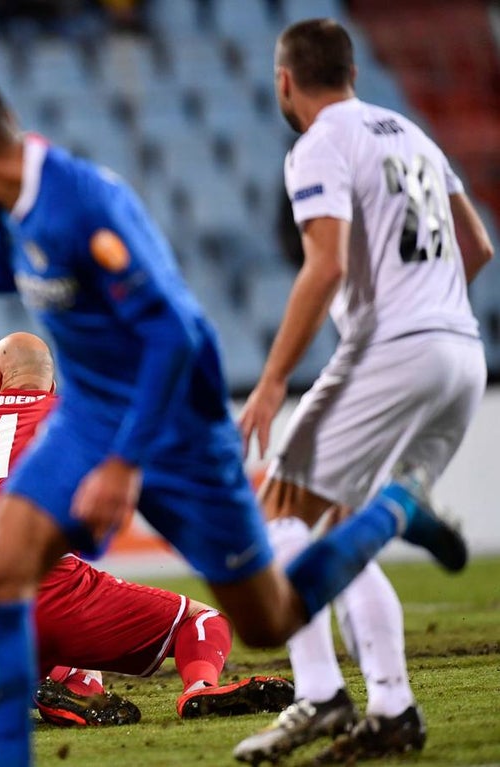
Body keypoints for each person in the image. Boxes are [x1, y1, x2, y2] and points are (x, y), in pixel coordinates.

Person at [0, 66, 466, 766]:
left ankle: (398, 504)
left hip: (175, 422)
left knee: (268, 615)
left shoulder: (81, 201)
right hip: (91, 410)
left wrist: (125, 463)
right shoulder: (15, 199)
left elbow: (174, 336)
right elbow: (2, 265)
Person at [234, 18, 493, 765]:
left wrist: (275, 377)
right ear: (351, 70)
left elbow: (323, 267)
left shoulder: (318, 143)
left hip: (394, 350)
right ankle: (393, 708)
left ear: (286, 81)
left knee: (276, 510)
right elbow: (477, 246)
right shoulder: (413, 134)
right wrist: (429, 311)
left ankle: (318, 694)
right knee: (335, 521)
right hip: (461, 350)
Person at [0, 332, 293, 723]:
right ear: (50, 384)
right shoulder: (76, 418)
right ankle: (201, 689)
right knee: (201, 620)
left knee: (71, 656)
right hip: (49, 594)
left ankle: (64, 691)